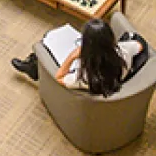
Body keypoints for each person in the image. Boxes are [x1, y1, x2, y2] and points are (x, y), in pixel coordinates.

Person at [10, 18, 146, 97]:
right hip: (108, 73)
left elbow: (59, 77)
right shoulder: (123, 53)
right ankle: (32, 64)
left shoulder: (85, 77)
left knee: (50, 41)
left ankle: (33, 66)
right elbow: (140, 45)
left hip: (77, 68)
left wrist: (72, 56)